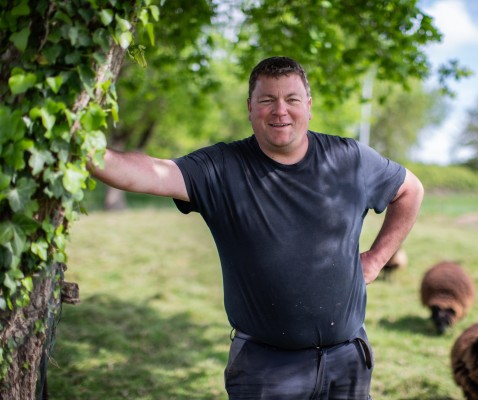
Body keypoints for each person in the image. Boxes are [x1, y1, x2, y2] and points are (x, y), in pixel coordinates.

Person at [89, 56, 424, 399]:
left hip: (348, 362)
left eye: (292, 99)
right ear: (250, 108)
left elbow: (410, 190)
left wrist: (376, 260)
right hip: (265, 370)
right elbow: (148, 173)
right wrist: (81, 145)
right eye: (267, 100)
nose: (280, 110)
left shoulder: (349, 159)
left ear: (308, 106)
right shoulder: (221, 167)